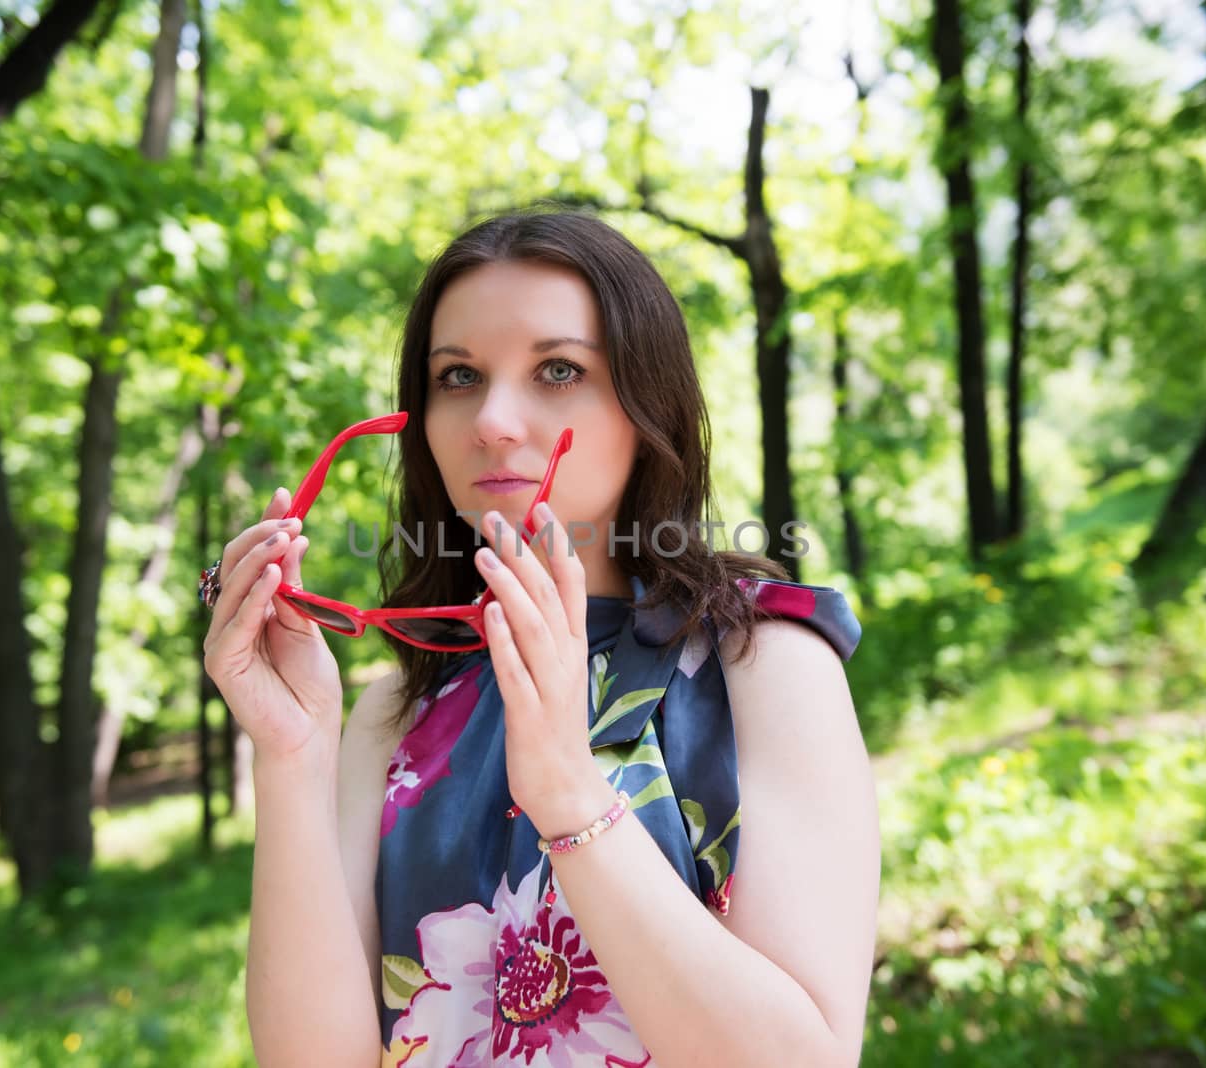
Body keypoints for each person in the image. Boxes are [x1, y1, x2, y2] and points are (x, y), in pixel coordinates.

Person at [201, 209, 879, 1067]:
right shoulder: (394, 716)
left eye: (558, 369)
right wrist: (292, 758)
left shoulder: (763, 663)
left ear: (646, 402)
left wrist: (567, 790)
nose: (493, 419)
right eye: (458, 377)